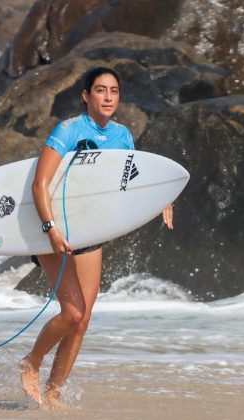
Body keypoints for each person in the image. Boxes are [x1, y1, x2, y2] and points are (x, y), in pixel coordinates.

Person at [19, 67, 174, 408]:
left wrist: (163, 196)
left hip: (89, 230)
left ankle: (53, 393)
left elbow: (134, 180)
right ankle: (31, 361)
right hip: (53, 230)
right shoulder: (69, 130)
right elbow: (39, 184)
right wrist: (50, 229)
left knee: (83, 319)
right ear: (86, 96)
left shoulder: (122, 136)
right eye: (100, 90)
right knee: (72, 312)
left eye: (114, 91)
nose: (107, 97)